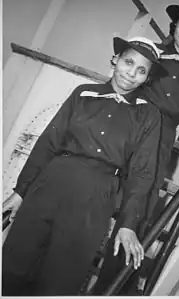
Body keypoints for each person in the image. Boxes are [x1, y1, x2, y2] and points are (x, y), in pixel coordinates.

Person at [2, 36, 166, 296]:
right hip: (52, 181)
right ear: (116, 59)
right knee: (13, 264)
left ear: (147, 79)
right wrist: (21, 191)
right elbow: (48, 143)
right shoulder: (83, 93)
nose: (131, 73)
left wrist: (127, 223)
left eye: (141, 70)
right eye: (128, 62)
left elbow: (142, 173)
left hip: (96, 197)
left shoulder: (149, 115)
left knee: (60, 279)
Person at [92, 0, 179, 295]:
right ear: (174, 26)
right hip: (125, 128)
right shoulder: (149, 52)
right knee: (92, 199)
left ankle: (111, 290)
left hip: (160, 141)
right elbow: (119, 85)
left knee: (136, 218)